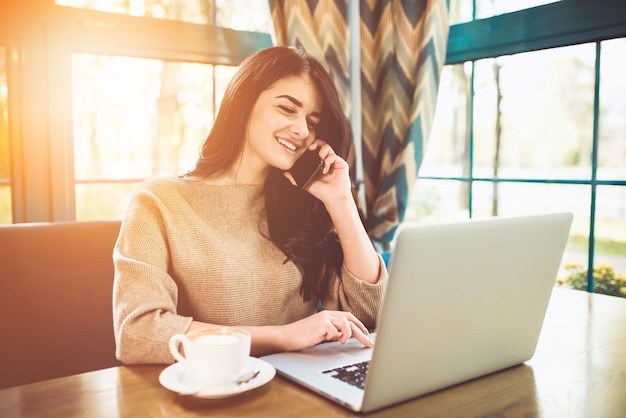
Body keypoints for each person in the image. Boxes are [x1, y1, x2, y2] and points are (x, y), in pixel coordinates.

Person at [113, 45, 388, 365]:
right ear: (243, 103)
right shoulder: (158, 202)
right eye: (287, 109)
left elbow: (372, 316)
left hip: (301, 396)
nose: (301, 130)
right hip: (209, 398)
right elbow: (138, 333)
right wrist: (282, 336)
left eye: (312, 122)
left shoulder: (307, 208)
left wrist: (340, 200)